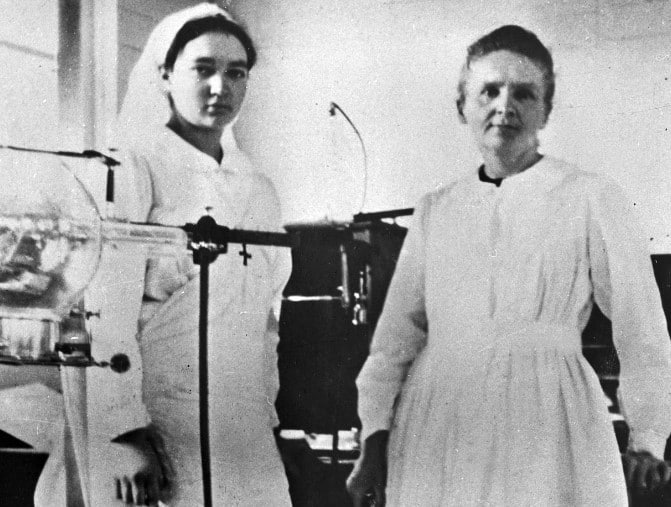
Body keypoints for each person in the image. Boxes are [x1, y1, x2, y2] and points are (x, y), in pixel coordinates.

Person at [347, 25, 671, 506]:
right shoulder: (436, 209)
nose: (505, 106)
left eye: (523, 93)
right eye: (489, 91)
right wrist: (373, 440)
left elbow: (641, 326)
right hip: (440, 419)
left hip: (547, 418)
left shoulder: (590, 196)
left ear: (546, 110)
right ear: (463, 105)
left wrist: (648, 435)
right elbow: (396, 339)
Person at [116, 3, 292, 505]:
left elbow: (266, 318)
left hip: (245, 427)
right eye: (203, 69)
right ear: (166, 75)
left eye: (236, 73)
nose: (221, 86)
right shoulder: (134, 167)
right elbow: (103, 314)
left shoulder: (257, 188)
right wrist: (125, 431)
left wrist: (266, 414)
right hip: (160, 423)